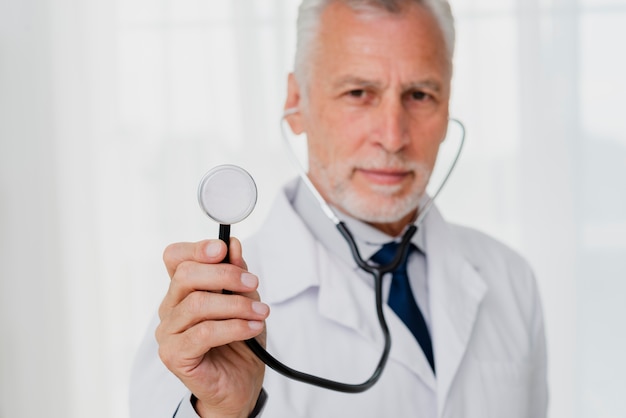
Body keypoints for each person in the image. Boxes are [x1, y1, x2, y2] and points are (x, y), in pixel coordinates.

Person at [130, 0, 549, 417]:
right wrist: (224, 412)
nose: (392, 136)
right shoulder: (206, 315)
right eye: (359, 93)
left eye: (420, 95)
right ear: (296, 103)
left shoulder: (509, 277)